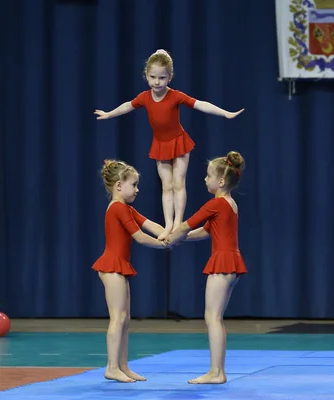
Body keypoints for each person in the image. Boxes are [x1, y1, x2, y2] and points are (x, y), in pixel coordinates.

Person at [94, 49, 244, 241]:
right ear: (146, 75)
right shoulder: (145, 97)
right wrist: (109, 114)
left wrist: (225, 113)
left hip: (179, 142)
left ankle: (179, 223)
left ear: (170, 77)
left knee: (178, 182)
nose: (157, 82)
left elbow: (200, 104)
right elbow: (127, 106)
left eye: (162, 78)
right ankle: (168, 225)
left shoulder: (175, 96)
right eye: (152, 77)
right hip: (160, 144)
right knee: (166, 185)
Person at [166, 151, 247, 384]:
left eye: (207, 175)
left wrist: (169, 238)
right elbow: (205, 232)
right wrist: (179, 239)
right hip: (231, 261)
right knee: (215, 317)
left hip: (222, 262)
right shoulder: (229, 204)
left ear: (220, 181)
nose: (204, 179)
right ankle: (217, 370)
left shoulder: (216, 204)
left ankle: (216, 372)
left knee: (211, 317)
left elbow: (186, 225)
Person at [92, 159, 167, 383]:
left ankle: (122, 365)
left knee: (125, 318)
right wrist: (163, 244)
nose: (137, 189)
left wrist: (171, 231)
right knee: (118, 317)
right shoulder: (117, 208)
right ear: (118, 186)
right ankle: (111, 366)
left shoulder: (126, 208)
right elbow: (140, 236)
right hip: (111, 266)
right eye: (133, 185)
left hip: (118, 267)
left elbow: (150, 225)